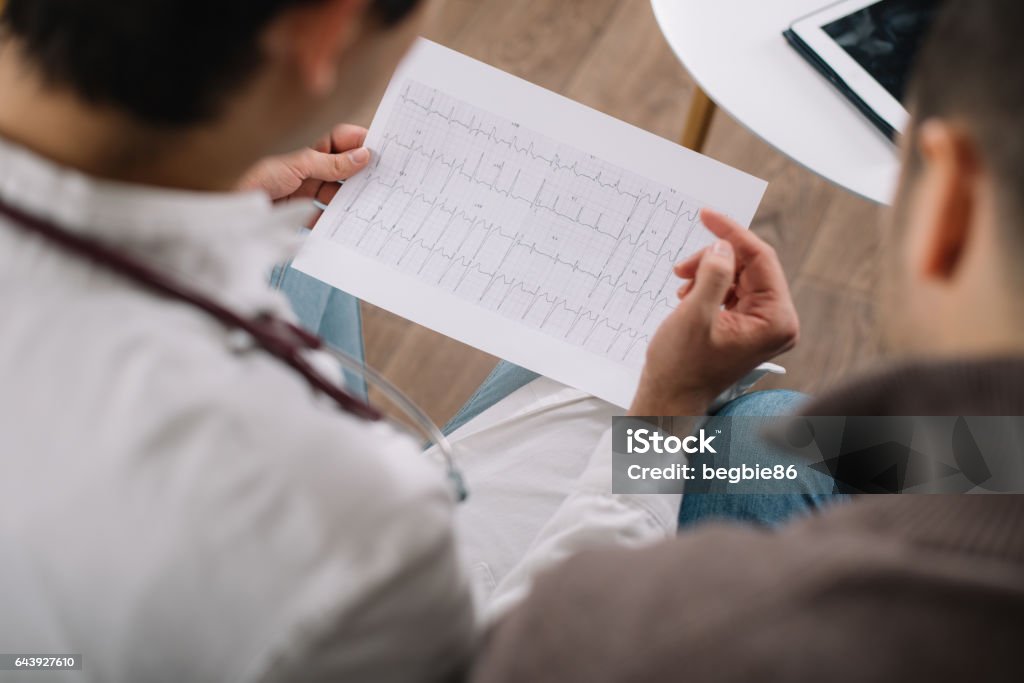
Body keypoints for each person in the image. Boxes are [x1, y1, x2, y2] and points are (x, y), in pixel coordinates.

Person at [0, 0, 822, 680]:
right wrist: (667, 409)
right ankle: (948, 478)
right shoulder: (355, 518)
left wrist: (220, 189)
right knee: (780, 434)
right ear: (327, 33)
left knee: (306, 252)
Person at [468, 1, 1024, 681]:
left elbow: (512, 655)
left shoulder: (707, 629)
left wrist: (667, 408)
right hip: (991, 459)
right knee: (766, 433)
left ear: (949, 203)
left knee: (711, 423)